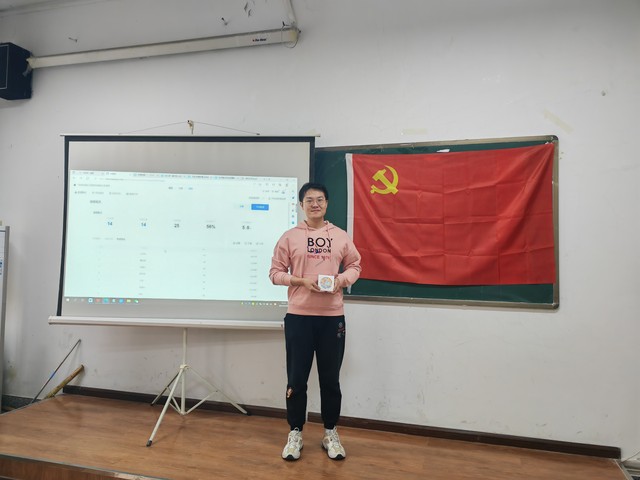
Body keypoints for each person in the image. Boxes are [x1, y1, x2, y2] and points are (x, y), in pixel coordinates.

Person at [269, 182, 361, 461]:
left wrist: (340, 281)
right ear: (301, 205)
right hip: (299, 317)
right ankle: (295, 432)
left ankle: (330, 432)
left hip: (332, 318)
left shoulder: (341, 236)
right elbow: (275, 273)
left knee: (330, 380)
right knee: (296, 380)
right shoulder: (289, 237)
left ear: (327, 203)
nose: (315, 204)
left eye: (320, 199)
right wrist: (299, 281)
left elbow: (355, 265)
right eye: (309, 200)